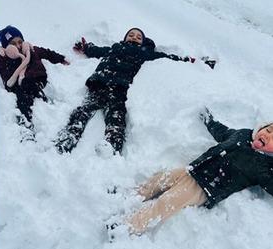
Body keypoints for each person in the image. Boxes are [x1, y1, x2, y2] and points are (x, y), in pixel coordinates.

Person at [56, 28, 212, 154]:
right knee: (82, 111)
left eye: (138, 37)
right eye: (131, 35)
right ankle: (69, 136)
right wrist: (87, 47)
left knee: (116, 119)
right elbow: (97, 51)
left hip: (119, 89)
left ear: (143, 42)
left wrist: (196, 62)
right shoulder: (114, 48)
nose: (134, 37)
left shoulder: (145, 53)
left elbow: (169, 57)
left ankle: (112, 146)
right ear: (125, 38)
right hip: (99, 83)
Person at [123, 110, 273, 235]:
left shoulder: (264, 166)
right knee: (159, 180)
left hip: (204, 188)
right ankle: (129, 197)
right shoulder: (243, 134)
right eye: (268, 130)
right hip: (193, 169)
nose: (267, 135)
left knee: (165, 202)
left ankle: (128, 227)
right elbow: (223, 132)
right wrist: (209, 120)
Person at [0, 25, 68, 125]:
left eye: (20, 42)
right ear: (7, 47)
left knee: (29, 83)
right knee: (21, 95)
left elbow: (47, 53)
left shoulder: (31, 50)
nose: (18, 46)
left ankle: (46, 108)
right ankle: (26, 121)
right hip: (17, 86)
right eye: (13, 44)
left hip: (37, 79)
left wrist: (61, 59)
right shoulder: (1, 58)